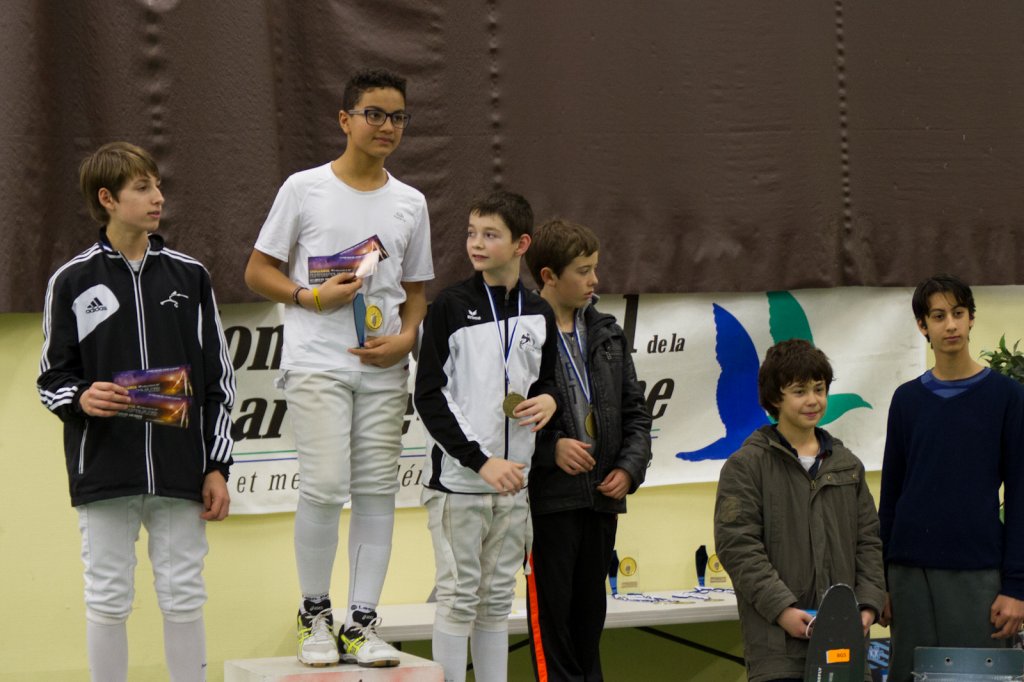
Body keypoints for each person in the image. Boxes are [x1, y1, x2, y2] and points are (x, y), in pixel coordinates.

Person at [243, 67, 433, 667]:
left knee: (377, 491)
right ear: (345, 119)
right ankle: (314, 616)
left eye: (397, 117)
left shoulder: (411, 202)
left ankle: (362, 622)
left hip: (383, 371)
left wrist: (406, 339)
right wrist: (308, 297)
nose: (386, 126)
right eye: (374, 114)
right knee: (325, 486)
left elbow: (415, 292)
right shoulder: (304, 188)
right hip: (317, 364)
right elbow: (258, 271)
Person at [37, 141, 236, 682]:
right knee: (107, 595)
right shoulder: (71, 280)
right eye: (143, 188)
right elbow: (51, 379)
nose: (157, 198)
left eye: (158, 186)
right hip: (105, 466)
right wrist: (80, 397)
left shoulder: (190, 276)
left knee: (184, 592)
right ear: (107, 199)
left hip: (180, 468)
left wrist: (216, 465)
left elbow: (219, 379)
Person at [414, 191, 559, 682]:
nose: (476, 243)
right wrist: (480, 461)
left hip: (514, 484)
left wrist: (551, 400)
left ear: (521, 244)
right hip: (461, 484)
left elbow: (546, 381)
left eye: (490, 235)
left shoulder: (539, 312)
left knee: (497, 601)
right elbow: (429, 396)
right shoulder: (450, 306)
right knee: (458, 597)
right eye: (472, 233)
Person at [522, 218, 652, 681]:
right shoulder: (522, 334)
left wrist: (629, 469)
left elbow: (637, 414)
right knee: (553, 629)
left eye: (595, 267)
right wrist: (551, 448)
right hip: (550, 502)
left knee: (588, 624)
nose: (595, 279)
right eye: (583, 270)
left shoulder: (606, 333)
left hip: (601, 499)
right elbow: (504, 415)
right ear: (548, 276)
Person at [878, 274, 1024, 682]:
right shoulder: (906, 400)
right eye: (939, 316)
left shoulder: (1007, 397)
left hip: (977, 573)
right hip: (908, 576)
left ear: (972, 318)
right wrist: (880, 582)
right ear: (922, 326)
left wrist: (1016, 587)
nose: (951, 325)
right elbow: (890, 496)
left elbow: (1020, 496)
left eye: (958, 313)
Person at [714, 339, 885, 682]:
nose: (813, 400)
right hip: (779, 649)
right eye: (799, 391)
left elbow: (869, 543)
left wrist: (868, 605)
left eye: (819, 389)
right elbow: (738, 547)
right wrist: (782, 609)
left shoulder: (848, 466)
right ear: (775, 398)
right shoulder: (746, 466)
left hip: (845, 647)